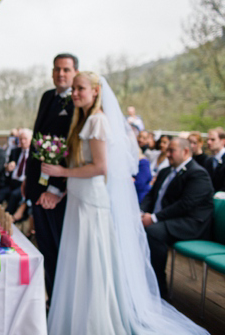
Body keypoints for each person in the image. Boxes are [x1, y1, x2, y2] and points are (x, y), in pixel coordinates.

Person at [42, 72, 208, 335]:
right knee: (78, 263)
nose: (74, 93)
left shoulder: (97, 121)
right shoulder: (83, 120)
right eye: (73, 89)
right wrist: (60, 191)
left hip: (91, 203)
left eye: (80, 88)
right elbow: (80, 165)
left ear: (95, 91)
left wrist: (61, 174)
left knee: (93, 264)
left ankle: (96, 323)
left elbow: (99, 167)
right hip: (78, 198)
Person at [23, 53, 77, 301]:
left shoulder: (77, 103)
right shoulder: (47, 96)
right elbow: (36, 140)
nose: (61, 74)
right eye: (56, 69)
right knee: (43, 244)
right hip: (37, 185)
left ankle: (59, 300)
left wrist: (56, 189)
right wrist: (28, 178)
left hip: (57, 191)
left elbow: (72, 150)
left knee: (58, 248)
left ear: (75, 72)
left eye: (66, 69)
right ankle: (50, 299)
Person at [141, 137, 214, 297]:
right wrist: (141, 213)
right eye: (167, 150)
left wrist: (153, 218)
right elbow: (150, 196)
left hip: (191, 224)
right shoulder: (166, 171)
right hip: (168, 218)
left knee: (153, 232)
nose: (167, 154)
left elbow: (185, 205)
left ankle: (159, 288)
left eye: (171, 150)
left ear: (185, 151)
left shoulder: (198, 174)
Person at [0, 129, 31, 214]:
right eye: (20, 139)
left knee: (13, 196)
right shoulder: (15, 151)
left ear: (30, 140)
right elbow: (7, 171)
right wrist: (7, 169)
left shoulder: (33, 155)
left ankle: (6, 220)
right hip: (11, 183)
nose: (22, 141)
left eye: (25, 139)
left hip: (23, 185)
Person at [204, 127, 225, 193]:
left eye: (213, 140)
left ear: (223, 141)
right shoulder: (208, 160)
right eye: (208, 139)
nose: (209, 142)